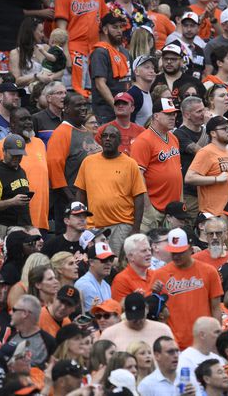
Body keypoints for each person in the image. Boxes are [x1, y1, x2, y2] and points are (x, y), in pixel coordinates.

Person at [74, 124, 145, 253]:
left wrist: (136, 228)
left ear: (120, 141)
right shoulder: (88, 162)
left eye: (112, 136)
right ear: (100, 140)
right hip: (93, 226)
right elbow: (81, 193)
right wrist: (80, 220)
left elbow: (139, 197)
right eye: (104, 136)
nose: (107, 139)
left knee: (117, 265)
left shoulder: (130, 164)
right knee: (96, 263)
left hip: (121, 225)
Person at [153, 228, 223, 349]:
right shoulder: (159, 275)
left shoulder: (209, 271)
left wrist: (217, 337)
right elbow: (154, 312)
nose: (176, 256)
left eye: (180, 252)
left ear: (190, 249)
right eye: (173, 252)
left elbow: (216, 307)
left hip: (204, 341)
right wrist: (154, 294)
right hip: (174, 343)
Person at [47, 93, 102, 231]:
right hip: (71, 202)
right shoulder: (61, 133)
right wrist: (73, 200)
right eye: (78, 105)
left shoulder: (85, 130)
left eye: (85, 105)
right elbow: (55, 171)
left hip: (92, 198)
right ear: (65, 108)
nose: (83, 108)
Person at [54, 0, 108, 97]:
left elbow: (105, 26)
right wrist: (66, 55)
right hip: (74, 49)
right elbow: (61, 30)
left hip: (94, 49)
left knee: (94, 91)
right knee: (74, 92)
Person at [130, 98, 183, 232]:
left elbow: (178, 173)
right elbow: (137, 177)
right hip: (153, 208)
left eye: (174, 114)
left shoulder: (173, 138)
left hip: (172, 209)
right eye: (168, 114)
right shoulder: (143, 140)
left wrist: (180, 203)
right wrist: (148, 208)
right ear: (156, 116)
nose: (173, 117)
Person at [186, 116, 228, 216]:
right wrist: (216, 179)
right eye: (224, 128)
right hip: (213, 215)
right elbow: (189, 178)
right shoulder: (206, 152)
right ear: (213, 133)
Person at [0, 134, 33, 230]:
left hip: (24, 224)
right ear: (4, 151)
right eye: (13, 155)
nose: (16, 158)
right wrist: (12, 202)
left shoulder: (21, 171)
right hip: (5, 226)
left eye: (19, 155)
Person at [74, 241, 115, 312]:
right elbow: (98, 315)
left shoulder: (106, 285)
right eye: (104, 260)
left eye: (111, 260)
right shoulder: (84, 284)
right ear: (91, 262)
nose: (108, 263)